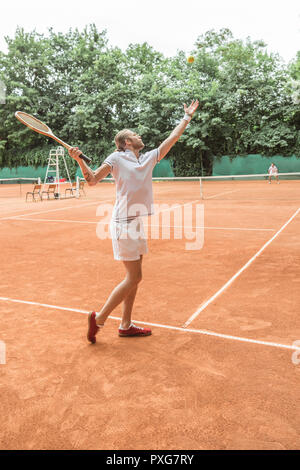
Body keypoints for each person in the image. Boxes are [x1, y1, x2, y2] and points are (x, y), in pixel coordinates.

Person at [68, 100, 199, 343]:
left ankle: (126, 324)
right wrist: (79, 159)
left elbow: (172, 139)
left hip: (136, 221)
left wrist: (187, 117)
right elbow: (93, 179)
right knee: (134, 277)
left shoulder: (147, 158)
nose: (139, 136)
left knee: (135, 276)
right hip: (123, 222)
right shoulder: (116, 158)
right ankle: (99, 320)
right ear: (126, 142)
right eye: (135, 134)